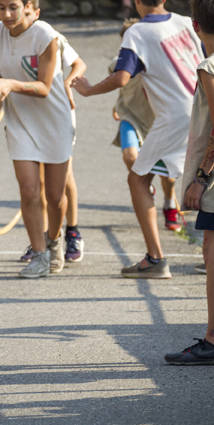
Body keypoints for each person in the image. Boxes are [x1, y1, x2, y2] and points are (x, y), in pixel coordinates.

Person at [72, 0, 203, 279]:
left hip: (175, 117)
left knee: (138, 179)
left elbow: (121, 78)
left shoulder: (137, 33)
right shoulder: (183, 21)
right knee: (204, 178)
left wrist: (88, 89)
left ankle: (156, 259)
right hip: (202, 106)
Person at [0, 0, 76, 278]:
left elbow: (45, 87)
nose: (7, 15)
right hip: (19, 121)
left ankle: (54, 239)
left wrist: (11, 85)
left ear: (28, 7)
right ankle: (39, 255)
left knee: (54, 196)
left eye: (13, 7)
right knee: (28, 191)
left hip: (54, 121)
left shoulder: (45, 35)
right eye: (1, 8)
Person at [16, 5, 87, 264]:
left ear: (34, 12)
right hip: (31, 117)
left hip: (57, 113)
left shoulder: (49, 36)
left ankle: (73, 231)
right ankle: (44, 238)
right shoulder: (9, 39)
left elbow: (79, 64)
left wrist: (67, 82)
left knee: (63, 177)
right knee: (38, 183)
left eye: (24, 13)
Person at [164, 0, 214, 365]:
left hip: (212, 175)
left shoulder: (209, 67)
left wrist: (201, 177)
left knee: (212, 253)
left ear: (196, 26)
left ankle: (212, 339)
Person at [110, 18, 182, 232]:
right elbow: (118, 83)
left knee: (167, 173)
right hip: (131, 117)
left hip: (160, 120)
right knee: (129, 157)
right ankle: (145, 185)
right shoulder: (117, 64)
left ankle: (170, 202)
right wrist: (117, 106)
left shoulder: (161, 62)